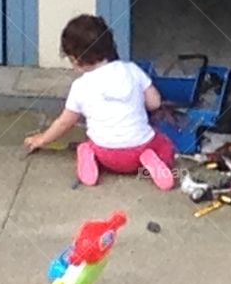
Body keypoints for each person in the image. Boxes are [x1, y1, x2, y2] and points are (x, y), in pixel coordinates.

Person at [23, 14, 177, 190]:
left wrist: (42, 139)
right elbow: (154, 103)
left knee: (89, 143)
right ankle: (152, 161)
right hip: (140, 148)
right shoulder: (132, 70)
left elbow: (64, 122)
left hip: (106, 153)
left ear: (74, 59)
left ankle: (87, 155)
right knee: (162, 143)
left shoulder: (80, 86)